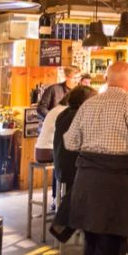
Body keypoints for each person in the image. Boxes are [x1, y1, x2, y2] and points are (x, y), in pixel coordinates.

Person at [62, 62, 128, 255]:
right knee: (113, 247)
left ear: (106, 80)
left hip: (87, 183)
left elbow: (70, 142)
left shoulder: (88, 104)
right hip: (117, 185)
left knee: (91, 244)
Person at [50, 86, 97, 243]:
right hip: (75, 169)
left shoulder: (64, 113)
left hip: (61, 166)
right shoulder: (83, 115)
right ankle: (93, 226)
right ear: (88, 101)